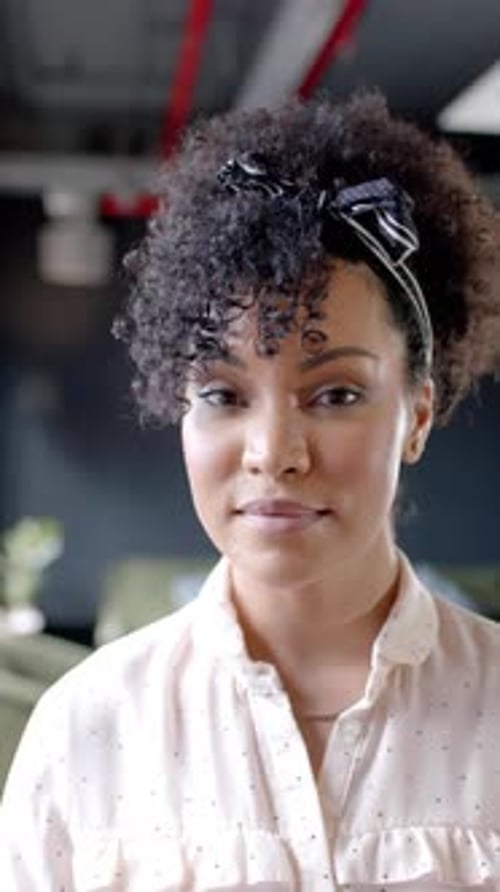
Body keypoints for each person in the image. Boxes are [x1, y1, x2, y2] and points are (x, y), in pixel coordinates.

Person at [1, 90, 500, 890]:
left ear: (417, 414)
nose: (273, 453)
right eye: (224, 395)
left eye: (336, 394)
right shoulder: (85, 731)